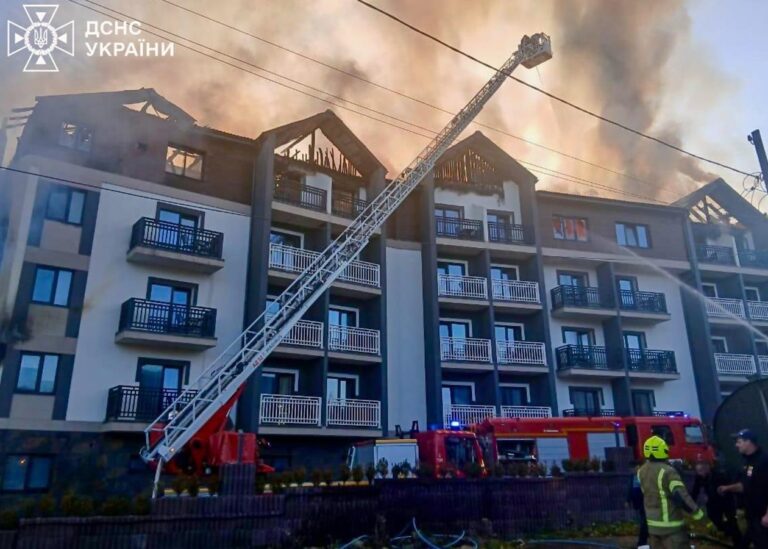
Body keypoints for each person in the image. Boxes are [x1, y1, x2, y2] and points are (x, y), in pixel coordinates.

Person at [637, 435, 704, 549]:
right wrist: (697, 513)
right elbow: (680, 496)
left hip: (653, 527)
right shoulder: (668, 471)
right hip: (672, 528)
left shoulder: (641, 471)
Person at [717, 429, 768, 548]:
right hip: (752, 514)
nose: (736, 445)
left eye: (739, 442)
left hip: (762, 515)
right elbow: (745, 485)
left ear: (748, 442)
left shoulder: (763, 461)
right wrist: (727, 488)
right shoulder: (747, 462)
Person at [691, 458, 742, 546]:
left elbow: (729, 488)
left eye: (702, 470)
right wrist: (690, 503)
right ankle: (725, 532)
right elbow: (695, 490)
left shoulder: (719, 474)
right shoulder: (699, 476)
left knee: (732, 521)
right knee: (714, 519)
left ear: (707, 467)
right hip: (712, 501)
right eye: (698, 471)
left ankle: (739, 543)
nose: (700, 473)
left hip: (726, 500)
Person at [627, 461, 650, 549]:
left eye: (634, 468)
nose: (633, 470)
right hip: (639, 503)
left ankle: (642, 542)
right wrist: (628, 500)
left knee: (644, 523)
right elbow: (630, 489)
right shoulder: (632, 477)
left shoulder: (644, 475)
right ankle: (643, 541)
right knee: (643, 522)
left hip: (645, 502)